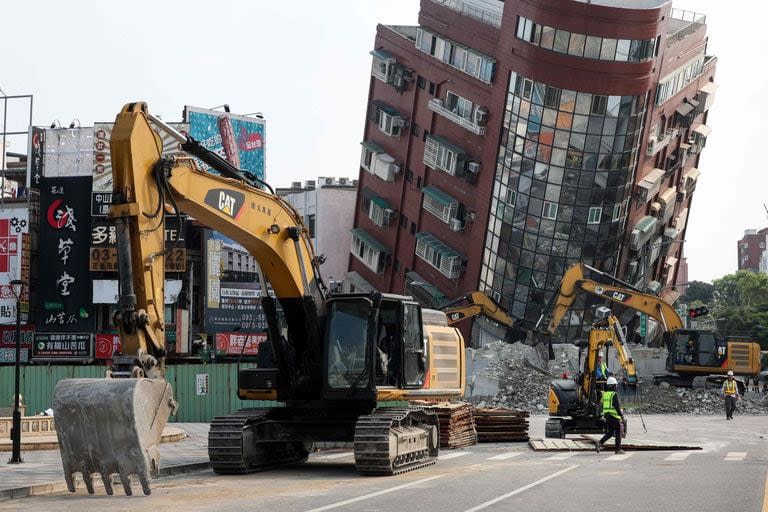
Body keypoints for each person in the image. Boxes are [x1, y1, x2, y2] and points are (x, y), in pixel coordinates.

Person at [595, 376, 625, 454]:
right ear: (614, 386)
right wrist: (621, 415)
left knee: (610, 433)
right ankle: (618, 450)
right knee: (618, 433)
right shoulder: (614, 395)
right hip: (615, 417)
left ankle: (600, 442)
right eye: (616, 385)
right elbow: (617, 407)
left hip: (607, 417)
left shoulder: (605, 394)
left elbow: (602, 404)